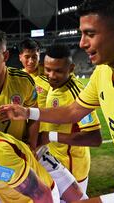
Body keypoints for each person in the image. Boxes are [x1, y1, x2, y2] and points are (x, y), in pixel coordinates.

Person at [0, 0, 114, 202]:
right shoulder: (102, 71)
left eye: (90, 34)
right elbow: (73, 111)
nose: (81, 43)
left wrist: (103, 201)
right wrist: (27, 112)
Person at [39, 43, 101, 193]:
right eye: (48, 70)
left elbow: (94, 138)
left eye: (58, 71)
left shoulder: (76, 94)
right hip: (55, 163)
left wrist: (50, 136)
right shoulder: (55, 85)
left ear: (71, 68)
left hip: (72, 169)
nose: (52, 76)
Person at [18, 38, 50, 108]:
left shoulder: (50, 73)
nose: (31, 61)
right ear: (20, 57)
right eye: (27, 57)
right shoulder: (17, 79)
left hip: (47, 117)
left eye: (34, 57)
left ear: (39, 56)